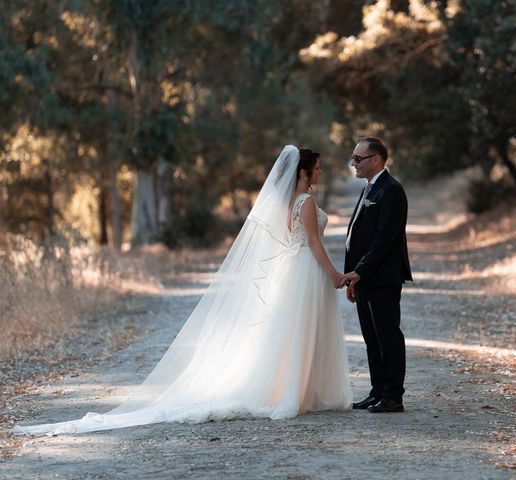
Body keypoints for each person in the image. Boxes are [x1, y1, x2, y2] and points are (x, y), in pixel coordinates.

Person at [14, 145, 353, 435]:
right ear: (305, 172)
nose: (320, 174)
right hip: (305, 269)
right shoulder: (306, 202)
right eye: (318, 169)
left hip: (293, 270)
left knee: (294, 332)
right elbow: (311, 242)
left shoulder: (286, 202)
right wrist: (335, 274)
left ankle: (295, 391)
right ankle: (295, 393)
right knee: (300, 331)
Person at [342, 137, 412, 413]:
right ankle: (378, 390)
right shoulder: (371, 187)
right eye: (353, 157)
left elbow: (384, 238)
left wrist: (359, 271)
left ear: (376, 160)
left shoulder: (391, 190)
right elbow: (357, 235)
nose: (353, 163)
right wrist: (354, 277)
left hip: (382, 276)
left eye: (358, 159)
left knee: (388, 336)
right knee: (371, 337)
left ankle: (393, 395)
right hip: (364, 277)